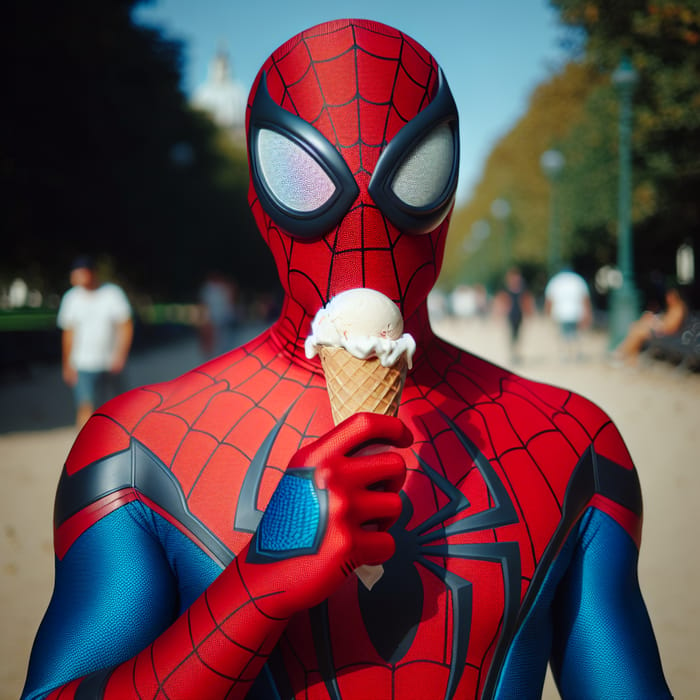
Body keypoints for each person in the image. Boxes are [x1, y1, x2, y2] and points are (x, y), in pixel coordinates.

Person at [22, 20, 671, 700]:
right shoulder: (135, 451)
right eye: (304, 179)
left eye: (410, 175)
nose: (365, 222)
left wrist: (243, 594)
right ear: (263, 199)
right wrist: (255, 588)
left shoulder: (575, 446)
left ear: (444, 194)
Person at [56, 256, 133, 428]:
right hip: (82, 362)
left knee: (119, 405)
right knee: (85, 405)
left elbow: (125, 326)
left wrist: (120, 355)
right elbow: (68, 333)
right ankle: (85, 447)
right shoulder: (71, 298)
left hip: (110, 361)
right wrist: (67, 362)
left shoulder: (112, 293)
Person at [613, 284, 688, 365]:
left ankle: (622, 354)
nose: (667, 298)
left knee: (638, 331)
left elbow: (671, 327)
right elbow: (666, 322)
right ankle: (627, 357)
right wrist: (655, 321)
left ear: (675, 296)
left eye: (669, 296)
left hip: (668, 336)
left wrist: (657, 324)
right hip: (663, 332)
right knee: (638, 327)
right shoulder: (673, 308)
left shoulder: (678, 309)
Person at [544, 266, 592, 361]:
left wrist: (548, 313)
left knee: (563, 335)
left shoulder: (556, 281)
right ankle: (577, 354)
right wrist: (587, 312)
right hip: (576, 312)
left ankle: (565, 355)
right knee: (576, 334)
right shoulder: (578, 280)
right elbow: (585, 298)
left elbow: (549, 299)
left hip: (560, 313)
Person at [492, 267, 535, 364]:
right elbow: (500, 301)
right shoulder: (506, 289)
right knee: (511, 335)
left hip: (519, 315)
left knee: (518, 335)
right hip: (510, 315)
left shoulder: (522, 288)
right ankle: (513, 354)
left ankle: (516, 353)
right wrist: (497, 314)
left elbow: (527, 300)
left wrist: (529, 313)